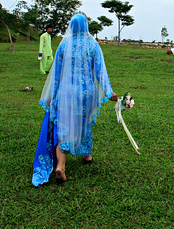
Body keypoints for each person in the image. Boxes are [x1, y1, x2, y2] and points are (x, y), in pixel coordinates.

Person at [32, 14, 117, 186]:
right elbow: (101, 71)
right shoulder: (93, 45)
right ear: (86, 27)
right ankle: (87, 155)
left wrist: (51, 95)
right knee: (84, 123)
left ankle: (61, 166)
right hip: (87, 93)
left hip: (66, 93)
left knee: (64, 127)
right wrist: (109, 92)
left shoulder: (64, 44)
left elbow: (56, 74)